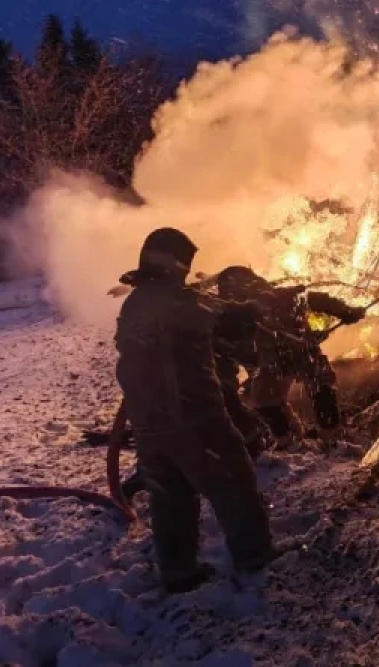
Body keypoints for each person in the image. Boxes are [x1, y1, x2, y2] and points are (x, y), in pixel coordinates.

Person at [114, 227, 280, 594]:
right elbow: (224, 318)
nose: (188, 273)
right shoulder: (179, 303)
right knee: (233, 479)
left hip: (150, 425)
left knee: (171, 495)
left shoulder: (137, 301)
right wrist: (254, 307)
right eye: (185, 266)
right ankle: (254, 555)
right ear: (174, 264)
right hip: (193, 417)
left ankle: (178, 570)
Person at [215, 266, 366, 442]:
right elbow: (315, 299)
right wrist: (345, 311)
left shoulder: (275, 299)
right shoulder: (247, 308)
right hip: (276, 360)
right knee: (272, 398)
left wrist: (345, 311)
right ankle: (303, 438)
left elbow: (313, 299)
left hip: (293, 355)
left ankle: (313, 439)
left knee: (313, 387)